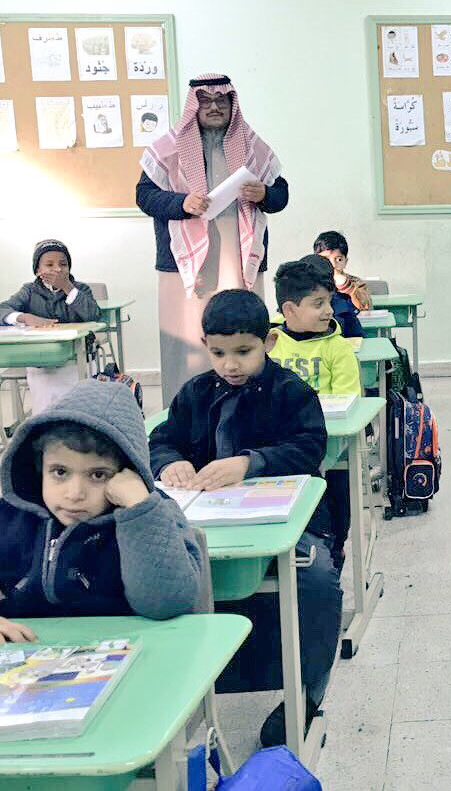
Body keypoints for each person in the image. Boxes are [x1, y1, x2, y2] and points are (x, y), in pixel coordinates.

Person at [147, 289, 339, 747]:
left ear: (269, 343)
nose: (230, 365)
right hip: (207, 526)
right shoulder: (195, 393)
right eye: (218, 353)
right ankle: (175, 690)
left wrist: (251, 463)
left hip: (289, 522)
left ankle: (305, 694)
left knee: (318, 580)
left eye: (243, 352)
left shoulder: (291, 391)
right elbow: (162, 438)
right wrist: (169, 461)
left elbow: (310, 446)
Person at [0, 380, 203, 642]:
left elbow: (166, 602)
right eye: (59, 472)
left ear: (129, 473)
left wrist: (140, 509)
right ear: (38, 467)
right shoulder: (6, 517)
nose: (74, 494)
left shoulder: (153, 514)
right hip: (26, 672)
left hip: (135, 662)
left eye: (98, 475)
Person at [136, 73, 289, 405]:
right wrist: (181, 203)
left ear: (232, 104)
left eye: (222, 100)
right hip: (185, 267)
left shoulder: (251, 146)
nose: (215, 107)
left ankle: (247, 410)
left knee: (242, 334)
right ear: (194, 106)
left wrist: (264, 193)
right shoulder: (168, 149)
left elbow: (281, 195)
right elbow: (144, 197)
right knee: (187, 344)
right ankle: (184, 417)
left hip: (239, 261)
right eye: (206, 101)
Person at [271, 258, 362, 568]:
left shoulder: (338, 349)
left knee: (336, 502)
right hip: (283, 446)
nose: (329, 311)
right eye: (318, 303)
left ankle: (334, 552)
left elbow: (347, 401)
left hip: (330, 446)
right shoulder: (271, 346)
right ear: (290, 310)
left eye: (330, 302)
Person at [0, 239, 101, 412]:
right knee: (46, 410)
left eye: (63, 264)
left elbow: (93, 314)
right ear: (38, 271)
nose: (57, 269)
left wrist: (67, 287)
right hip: (41, 362)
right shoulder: (29, 291)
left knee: (77, 409)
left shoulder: (80, 289)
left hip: (77, 360)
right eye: (49, 264)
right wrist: (24, 317)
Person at [313, 230, 373, 312]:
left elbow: (366, 308)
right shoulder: (311, 282)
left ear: (345, 262)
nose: (333, 265)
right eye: (326, 259)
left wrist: (349, 288)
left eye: (339, 259)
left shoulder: (356, 283)